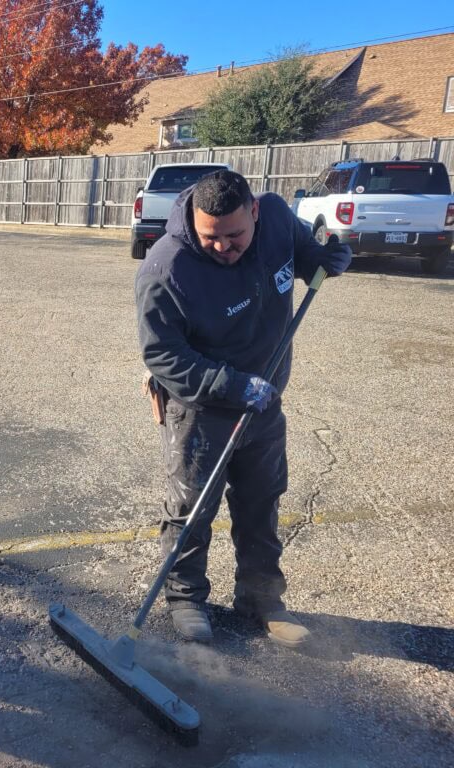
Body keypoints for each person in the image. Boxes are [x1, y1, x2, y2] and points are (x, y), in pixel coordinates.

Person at [134, 170, 351, 649]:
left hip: (265, 401)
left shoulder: (274, 217)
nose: (223, 247)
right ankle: (186, 599)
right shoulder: (165, 269)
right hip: (201, 408)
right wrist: (230, 385)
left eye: (234, 235)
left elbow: (303, 255)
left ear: (254, 212)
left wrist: (325, 259)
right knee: (192, 505)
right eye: (211, 237)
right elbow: (162, 354)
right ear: (194, 219)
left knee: (261, 499)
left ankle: (261, 600)